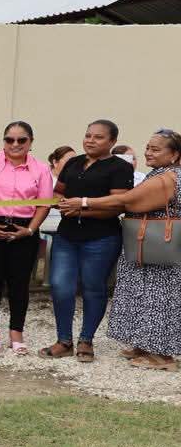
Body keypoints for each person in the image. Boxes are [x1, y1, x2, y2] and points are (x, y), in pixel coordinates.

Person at [41, 120, 135, 362]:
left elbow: (118, 205)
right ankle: (64, 341)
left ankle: (86, 340)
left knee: (93, 287)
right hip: (67, 235)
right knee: (60, 286)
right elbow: (58, 192)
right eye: (88, 135)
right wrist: (62, 202)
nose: (91, 140)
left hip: (102, 238)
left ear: (112, 142)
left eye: (98, 137)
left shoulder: (119, 168)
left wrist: (82, 209)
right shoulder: (73, 162)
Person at [91, 130, 181, 370]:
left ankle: (162, 356)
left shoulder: (169, 177)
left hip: (158, 244)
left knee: (157, 298)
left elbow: (129, 200)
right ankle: (144, 344)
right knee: (141, 293)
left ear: (174, 155)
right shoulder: (159, 173)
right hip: (144, 242)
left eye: (156, 149)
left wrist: (85, 202)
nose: (148, 152)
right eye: (148, 147)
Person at [0, 121, 52, 356]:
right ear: (3, 140)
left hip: (24, 229)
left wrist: (30, 230)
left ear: (31, 142)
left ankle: (17, 333)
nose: (15, 144)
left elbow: (43, 204)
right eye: (9, 140)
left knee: (20, 283)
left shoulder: (41, 169)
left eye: (21, 140)